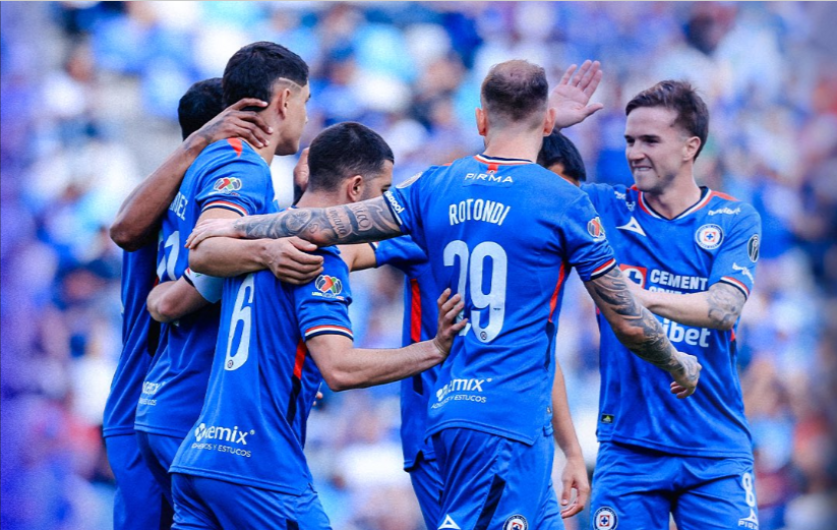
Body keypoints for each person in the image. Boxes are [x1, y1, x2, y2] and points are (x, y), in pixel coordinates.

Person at [186, 60, 701, 530]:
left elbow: (332, 223)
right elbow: (629, 321)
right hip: (502, 423)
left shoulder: (434, 187)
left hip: (464, 414)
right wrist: (678, 364)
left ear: (480, 121)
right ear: (546, 125)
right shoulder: (565, 203)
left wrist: (239, 228)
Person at [169, 122, 466, 530]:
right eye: (382, 193)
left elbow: (198, 262)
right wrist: (434, 349)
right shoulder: (315, 258)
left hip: (198, 457)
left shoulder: (255, 244)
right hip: (261, 466)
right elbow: (339, 368)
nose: (384, 207)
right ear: (356, 189)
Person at [331, 128, 594, 527]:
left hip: (521, 434)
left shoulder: (538, 260)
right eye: (553, 193)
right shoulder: (439, 226)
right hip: (447, 434)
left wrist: (571, 451)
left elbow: (541, 352)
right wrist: (323, 339)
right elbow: (343, 251)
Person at [133, 41, 323, 502]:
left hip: (172, 395)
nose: (305, 116)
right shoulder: (240, 163)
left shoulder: (203, 163)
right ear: (284, 101)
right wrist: (271, 252)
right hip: (199, 405)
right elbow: (209, 247)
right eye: (305, 102)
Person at [576, 80, 763, 530]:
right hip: (628, 448)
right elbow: (529, 184)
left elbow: (723, 309)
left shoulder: (734, 219)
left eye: (650, 141)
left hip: (713, 448)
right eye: (629, 140)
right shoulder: (606, 207)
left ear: (690, 147)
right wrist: (551, 124)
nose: (634, 152)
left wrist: (635, 295)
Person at [103, 78, 276, 529]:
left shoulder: (185, 193)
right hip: (155, 393)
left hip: (174, 399)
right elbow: (122, 231)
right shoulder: (174, 198)